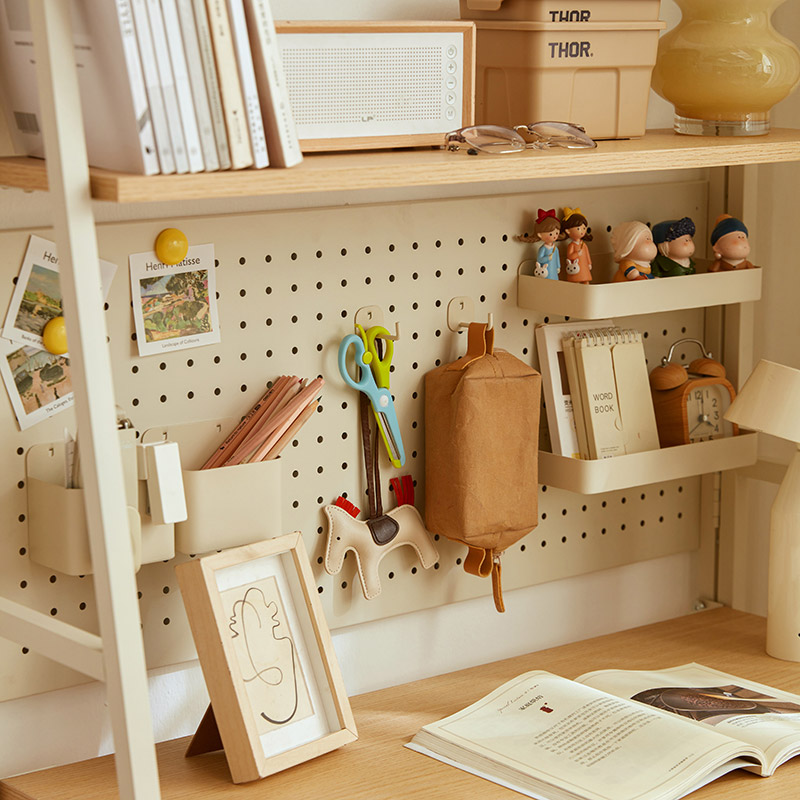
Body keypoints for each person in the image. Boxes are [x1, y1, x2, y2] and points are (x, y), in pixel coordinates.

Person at [516, 208, 562, 279]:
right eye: (550, 234)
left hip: (554, 271)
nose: (555, 236)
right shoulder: (543, 248)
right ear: (540, 235)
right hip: (546, 272)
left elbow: (557, 258)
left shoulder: (555, 248)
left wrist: (558, 266)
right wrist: (547, 258)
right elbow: (539, 259)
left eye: (556, 233)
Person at [560, 207, 593, 283]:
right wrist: (577, 254)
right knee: (576, 281)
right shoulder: (571, 245)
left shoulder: (583, 244)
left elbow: (587, 254)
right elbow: (569, 256)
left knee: (586, 280)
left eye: (584, 228)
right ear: (568, 231)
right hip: (575, 268)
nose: (582, 231)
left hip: (584, 267)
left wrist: (589, 263)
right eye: (578, 229)